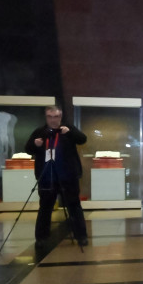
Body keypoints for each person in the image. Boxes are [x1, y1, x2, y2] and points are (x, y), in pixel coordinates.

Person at [25, 106, 89, 247]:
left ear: (61, 117)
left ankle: (81, 236)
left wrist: (70, 133)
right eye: (50, 117)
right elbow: (28, 149)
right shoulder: (39, 132)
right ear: (46, 117)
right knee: (45, 207)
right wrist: (35, 144)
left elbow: (82, 139)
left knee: (74, 206)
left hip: (68, 176)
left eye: (56, 117)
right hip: (47, 177)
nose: (53, 120)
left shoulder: (68, 129)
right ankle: (41, 238)